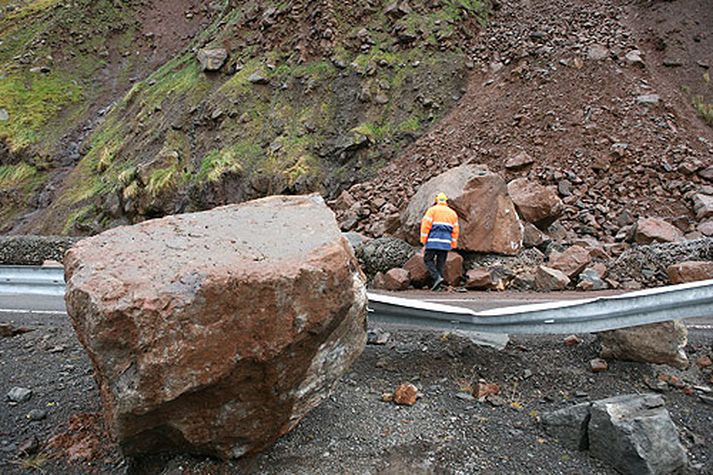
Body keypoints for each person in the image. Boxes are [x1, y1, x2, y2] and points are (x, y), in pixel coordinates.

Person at [420, 192, 459, 291]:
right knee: (441, 263)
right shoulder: (452, 213)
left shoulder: (432, 211)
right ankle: (438, 286)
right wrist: (453, 243)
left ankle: (437, 277)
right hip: (445, 242)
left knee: (428, 259)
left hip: (433, 240)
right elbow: (455, 230)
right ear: (446, 201)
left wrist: (423, 240)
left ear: (437, 200)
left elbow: (425, 226)